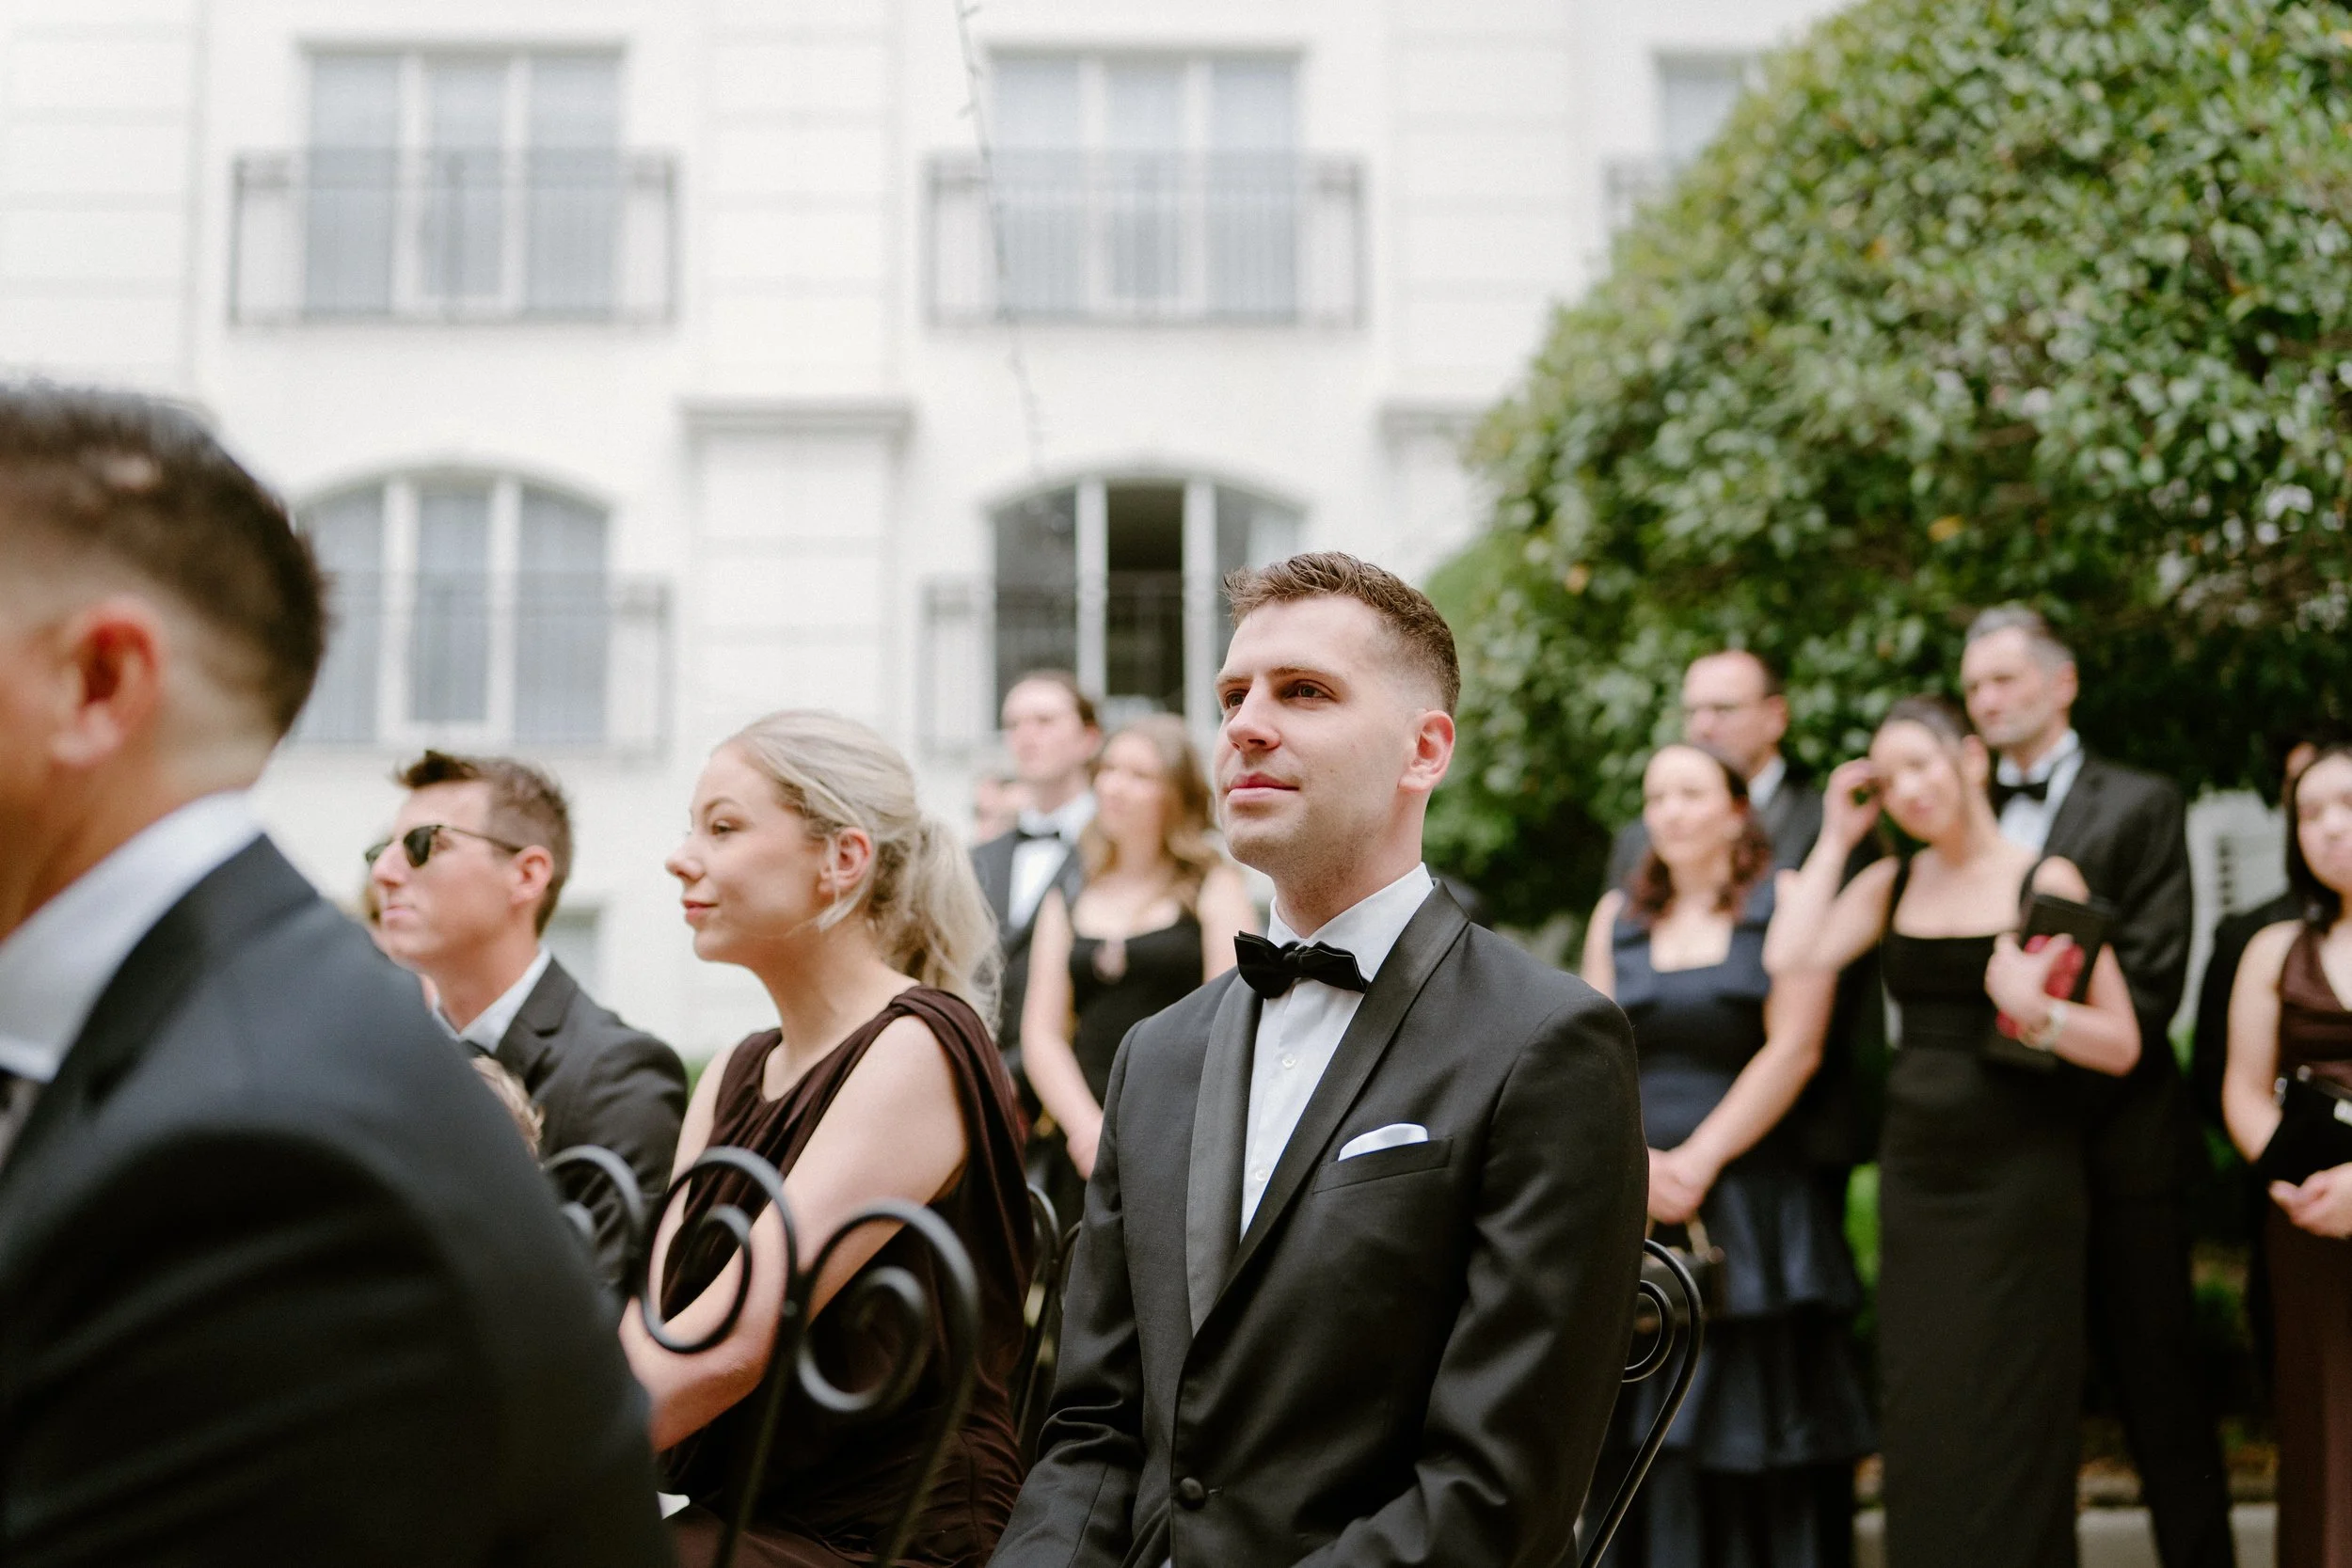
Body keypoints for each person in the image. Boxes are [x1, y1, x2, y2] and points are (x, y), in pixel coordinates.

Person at [0, 385, 667, 1565]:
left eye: (425, 846)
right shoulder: (202, 1039)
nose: (393, 874)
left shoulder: (259, 1166)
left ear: (99, 682)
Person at [994, 552, 1648, 1568]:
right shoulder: (1155, 1056)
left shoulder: (1545, 1043)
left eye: (1304, 691)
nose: (1246, 723)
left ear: (1423, 750)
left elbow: (1493, 1489)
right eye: (1231, 695)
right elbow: (1090, 1431)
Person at [627, 709, 1034, 1568]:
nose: (681, 856)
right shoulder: (736, 1070)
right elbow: (661, 1326)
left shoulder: (920, 1043)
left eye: (724, 827)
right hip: (741, 1511)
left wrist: (516, 1470)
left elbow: (729, 1347)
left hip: (884, 1535)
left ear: (842, 860)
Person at [1767, 696, 2142, 1568]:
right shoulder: (1890, 879)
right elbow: (1790, 955)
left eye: (1922, 765)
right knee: (1924, 1404)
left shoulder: (2044, 879)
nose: (1909, 789)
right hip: (1920, 1181)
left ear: (1970, 759)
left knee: (2014, 1409)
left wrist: (2040, 1012)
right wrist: (1832, 836)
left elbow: (2122, 1044)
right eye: (1889, 777)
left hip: (2022, 1184)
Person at [1960, 605, 2231, 1568]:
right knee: (2018, 1403)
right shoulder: (1954, 807)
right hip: (1995, 1152)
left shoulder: (2142, 801)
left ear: (2061, 681)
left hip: (2121, 1145)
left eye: (2004, 679)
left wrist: (2040, 1022)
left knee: (2160, 1391)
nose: (1985, 699)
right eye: (1974, 685)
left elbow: (2152, 978)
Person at [1581, 743, 1871, 1568]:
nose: (1668, 810)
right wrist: (1641, 1163)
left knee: (1754, 1431)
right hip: (1639, 1194)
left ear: (1738, 809)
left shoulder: (1784, 899)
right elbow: (1595, 1053)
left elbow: (1796, 1047)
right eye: (1655, 794)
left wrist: (1699, 1160)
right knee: (1645, 1432)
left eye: (1689, 791)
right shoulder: (1617, 916)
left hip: (1755, 1203)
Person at [370, 749, 686, 1275]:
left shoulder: (619, 1079)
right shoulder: (382, 1060)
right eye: (379, 851)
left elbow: (600, 1324)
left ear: (527, 875)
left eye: (423, 845)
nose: (384, 872)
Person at [1020, 713, 1257, 1224]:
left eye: (1140, 775)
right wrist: (1088, 1131)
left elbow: (1231, 1016)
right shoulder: (1069, 891)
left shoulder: (1212, 887)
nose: (1115, 787)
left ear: (1176, 793)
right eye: (1109, 770)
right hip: (1081, 1135)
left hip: (1179, 1132)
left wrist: (1150, 1135)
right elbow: (1042, 1033)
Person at [2219, 742, 2352, 1568]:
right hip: (2309, 1230)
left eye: (2347, 803)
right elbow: (2241, 1086)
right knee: (2325, 1433)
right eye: (2310, 813)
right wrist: (2297, 1183)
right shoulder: (2271, 948)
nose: (2331, 827)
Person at [971, 671, 1101, 1085]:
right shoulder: (976, 860)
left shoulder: (1117, 853)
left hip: (1089, 1086)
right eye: (1014, 724)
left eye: (1044, 721)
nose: (1026, 736)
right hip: (986, 1090)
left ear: (1088, 738)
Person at [1608, 651, 1820, 884]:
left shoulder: (1823, 826)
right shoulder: (1640, 838)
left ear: (1775, 717)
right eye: (1692, 712)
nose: (1702, 728)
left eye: (1723, 709)